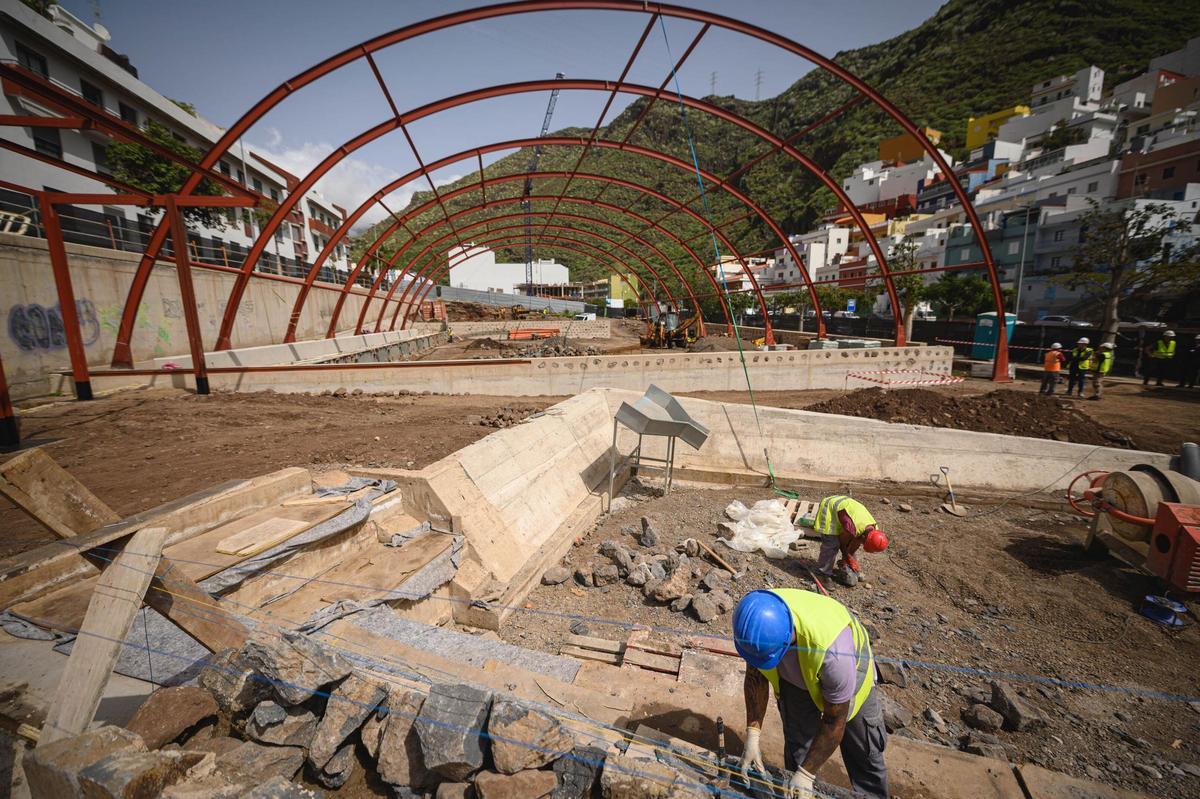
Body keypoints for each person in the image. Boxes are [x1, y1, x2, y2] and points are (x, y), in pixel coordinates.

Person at [734, 589, 888, 799]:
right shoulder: (756, 618)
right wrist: (753, 734)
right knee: (799, 750)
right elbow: (755, 676)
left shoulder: (834, 655)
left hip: (852, 679)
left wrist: (806, 774)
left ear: (789, 637)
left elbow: (834, 720)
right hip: (796, 679)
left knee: (864, 755)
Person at [811, 495, 888, 586]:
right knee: (832, 544)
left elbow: (856, 542)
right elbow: (842, 543)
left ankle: (850, 569)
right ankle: (822, 574)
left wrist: (850, 557)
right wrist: (846, 556)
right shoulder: (853, 527)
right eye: (864, 543)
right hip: (830, 507)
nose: (862, 544)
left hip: (845, 509)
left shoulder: (874, 530)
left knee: (849, 549)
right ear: (864, 537)